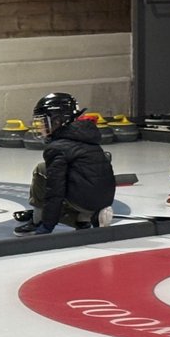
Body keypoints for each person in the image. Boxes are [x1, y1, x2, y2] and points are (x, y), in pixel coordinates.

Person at [14, 92, 115, 235]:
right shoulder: (87, 136)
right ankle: (85, 218)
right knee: (76, 176)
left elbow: (55, 190)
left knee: (41, 170)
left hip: (83, 201)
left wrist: (46, 225)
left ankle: (37, 220)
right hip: (102, 200)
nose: (40, 126)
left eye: (43, 121)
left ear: (56, 120)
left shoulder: (57, 147)